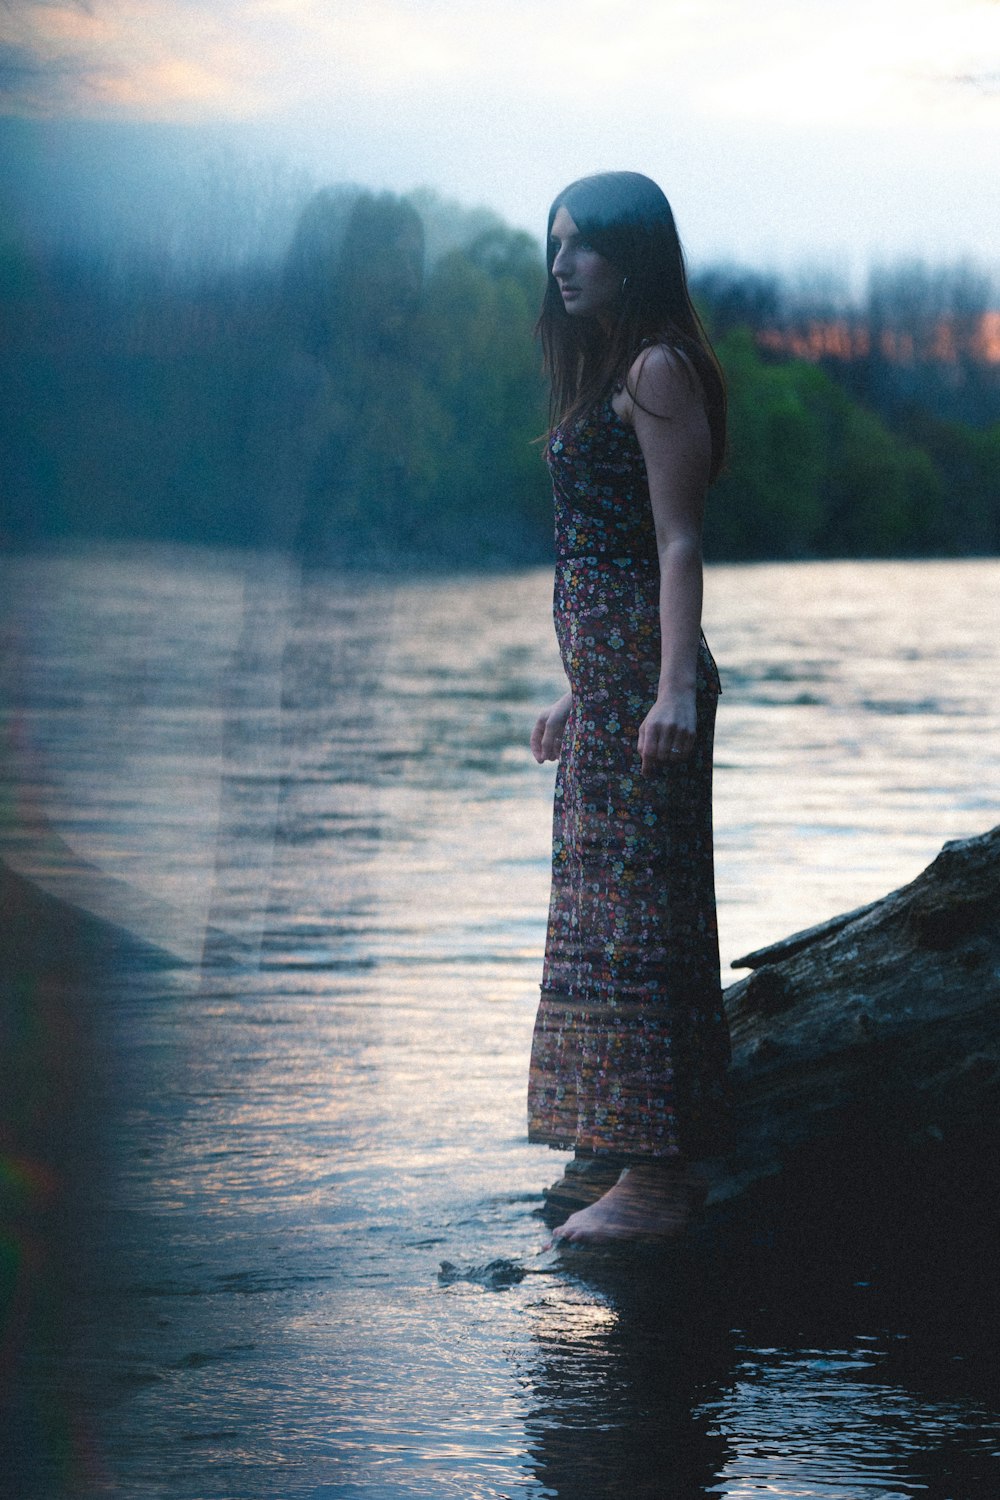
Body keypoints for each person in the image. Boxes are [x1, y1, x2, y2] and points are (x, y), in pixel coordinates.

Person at [527, 171, 732, 1245]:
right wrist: (580, 690)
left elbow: (674, 541)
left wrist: (665, 691)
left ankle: (659, 1179)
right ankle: (604, 1146)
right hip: (608, 697)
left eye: (585, 244)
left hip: (651, 700)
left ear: (634, 255)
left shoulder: (658, 370)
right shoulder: (608, 368)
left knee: (648, 927)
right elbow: (597, 554)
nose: (562, 263)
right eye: (554, 241)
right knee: (598, 925)